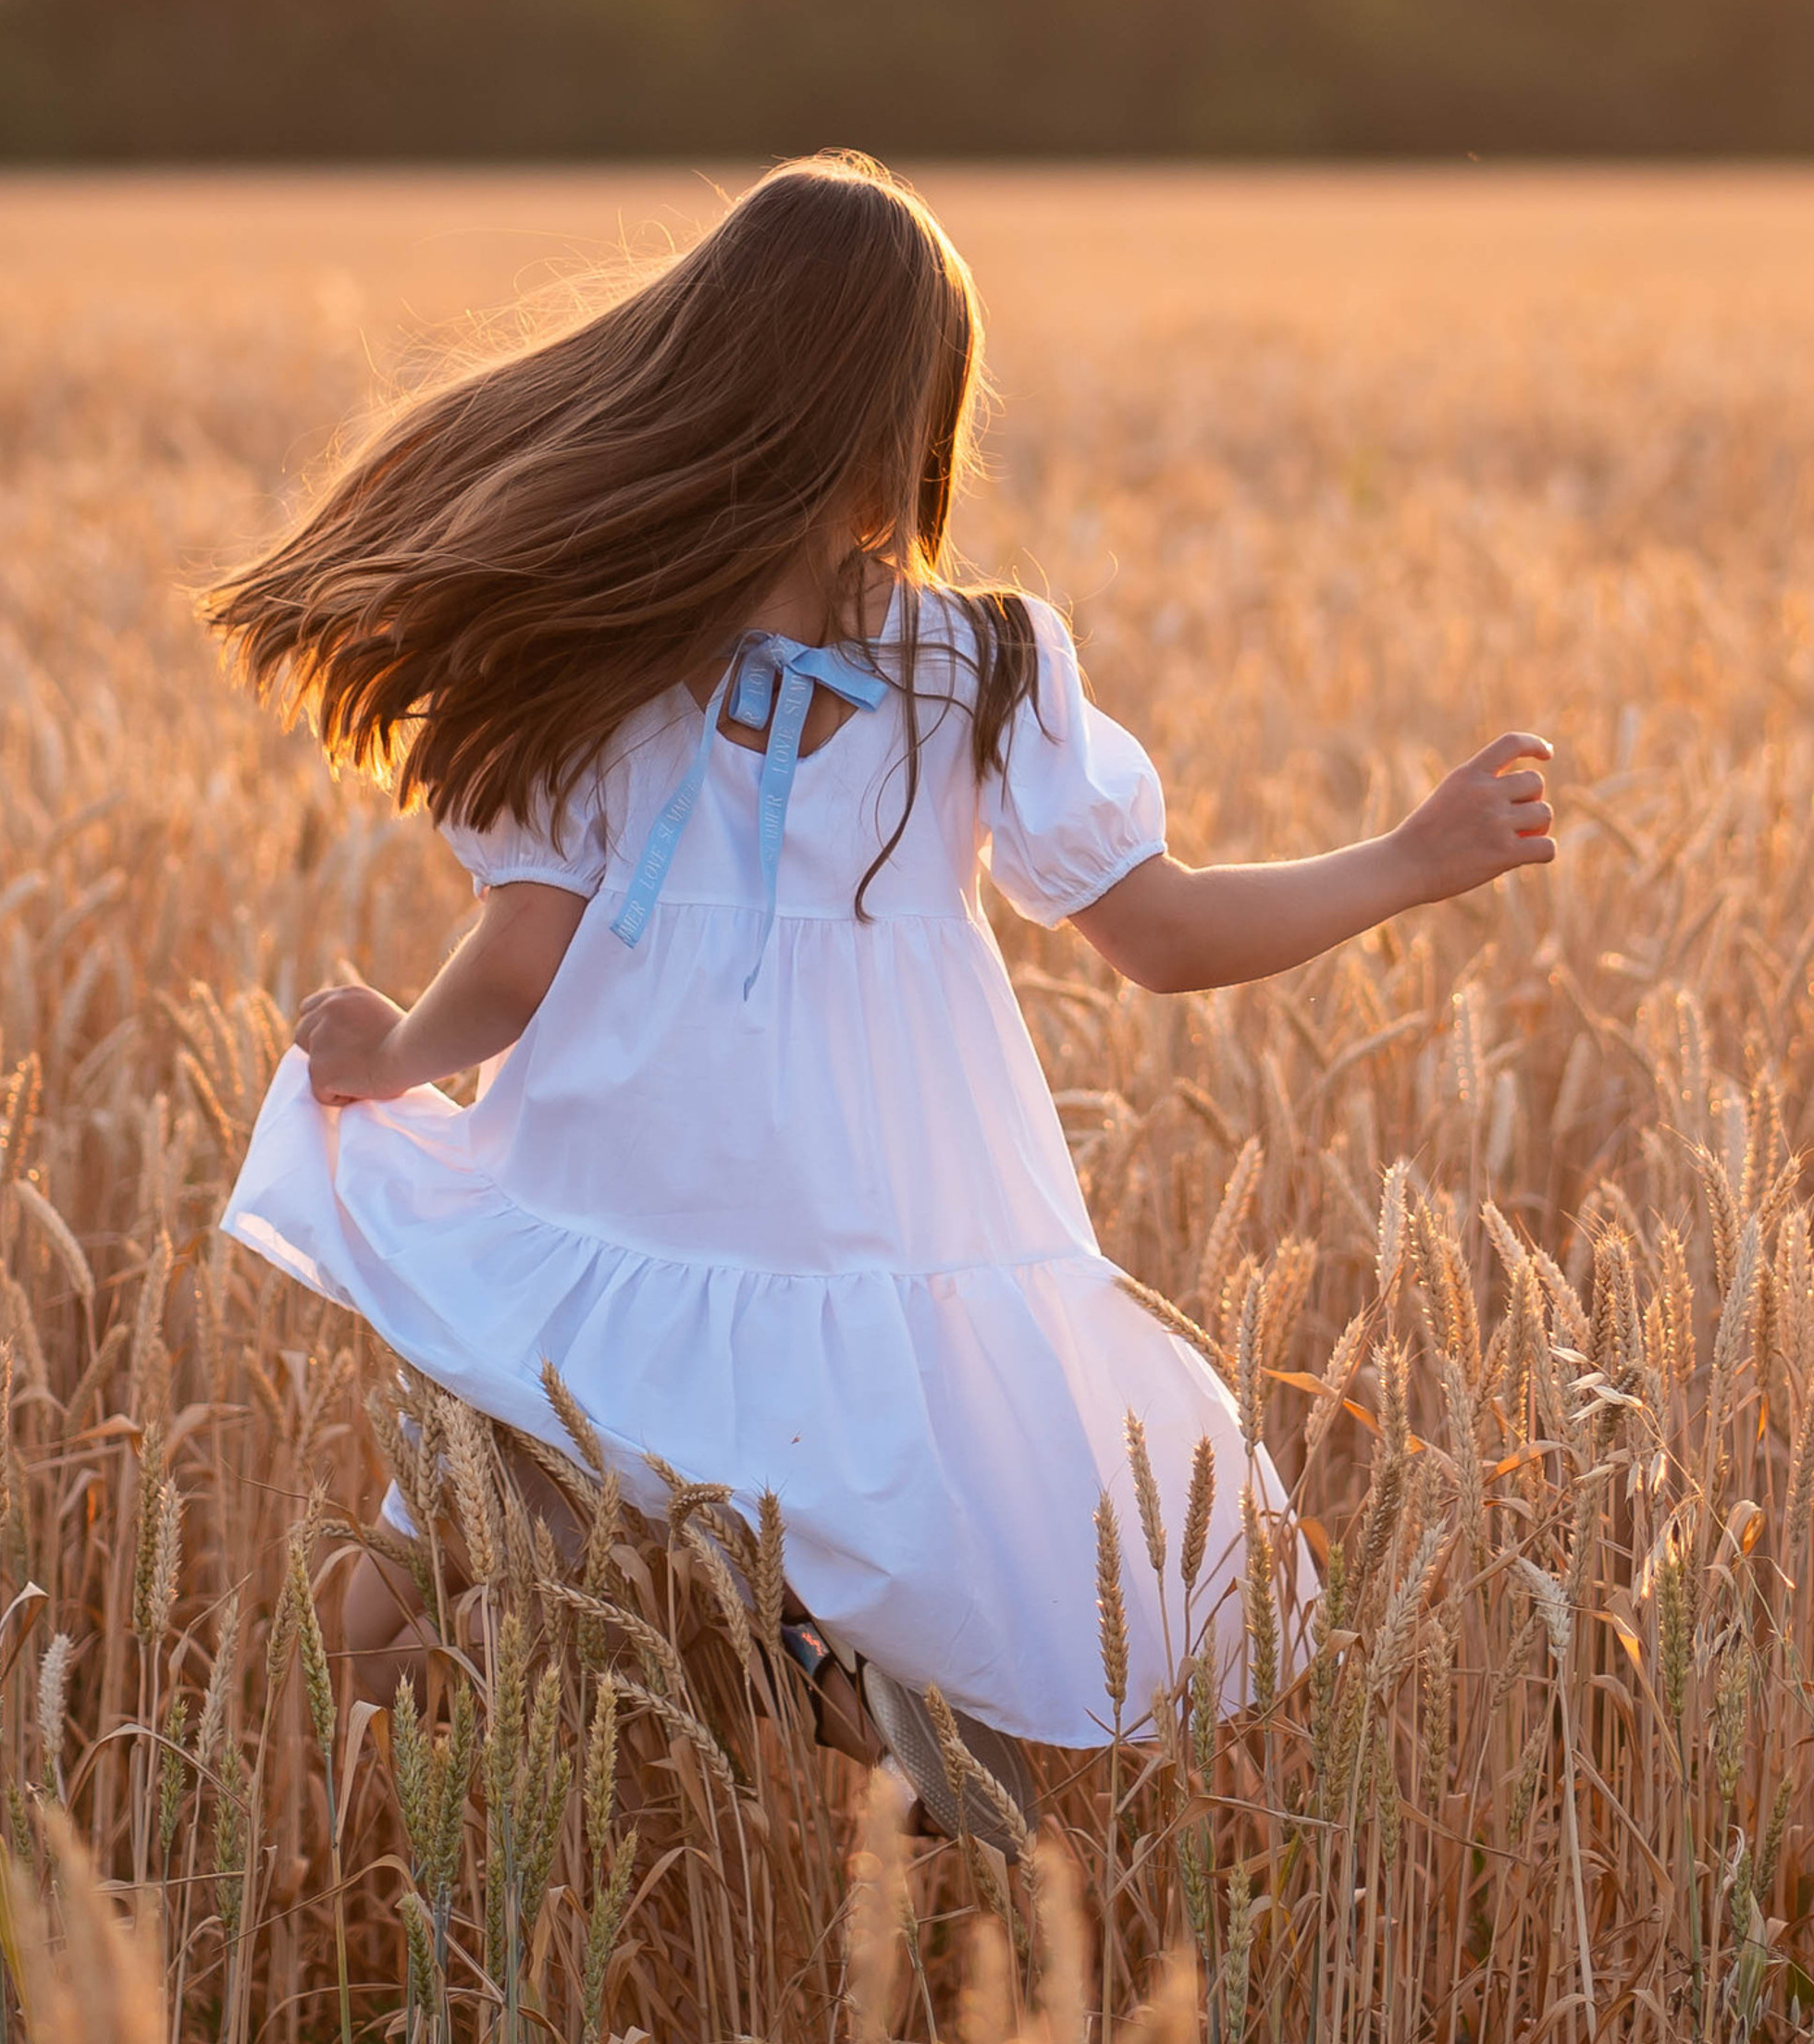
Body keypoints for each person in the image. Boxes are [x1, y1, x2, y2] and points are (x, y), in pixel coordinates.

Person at [211, 154, 1554, 1841]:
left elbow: (517, 967)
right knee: (885, 1697)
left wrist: (386, 1053)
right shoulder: (824, 662)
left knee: (389, 1626)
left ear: (706, 372)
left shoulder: (904, 669)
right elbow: (1166, 936)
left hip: (650, 1246)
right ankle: (727, 1730)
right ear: (908, 420)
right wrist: (1409, 858)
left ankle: (720, 1762)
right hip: (770, 1247)